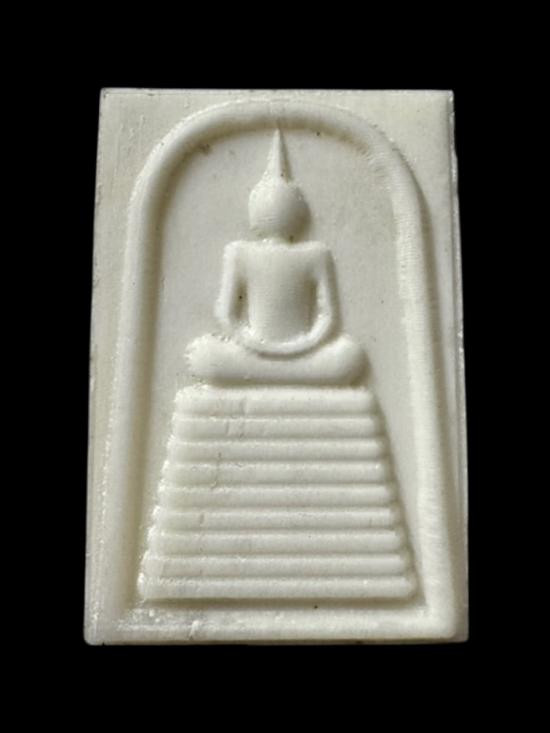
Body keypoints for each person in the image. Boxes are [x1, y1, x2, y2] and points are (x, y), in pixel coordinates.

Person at [186, 130, 366, 385]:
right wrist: (255, 344)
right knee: (205, 355)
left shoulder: (315, 254)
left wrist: (302, 345)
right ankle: (291, 379)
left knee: (349, 354)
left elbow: (327, 318)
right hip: (260, 354)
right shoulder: (241, 253)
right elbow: (228, 317)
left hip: (301, 353)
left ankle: (272, 377)